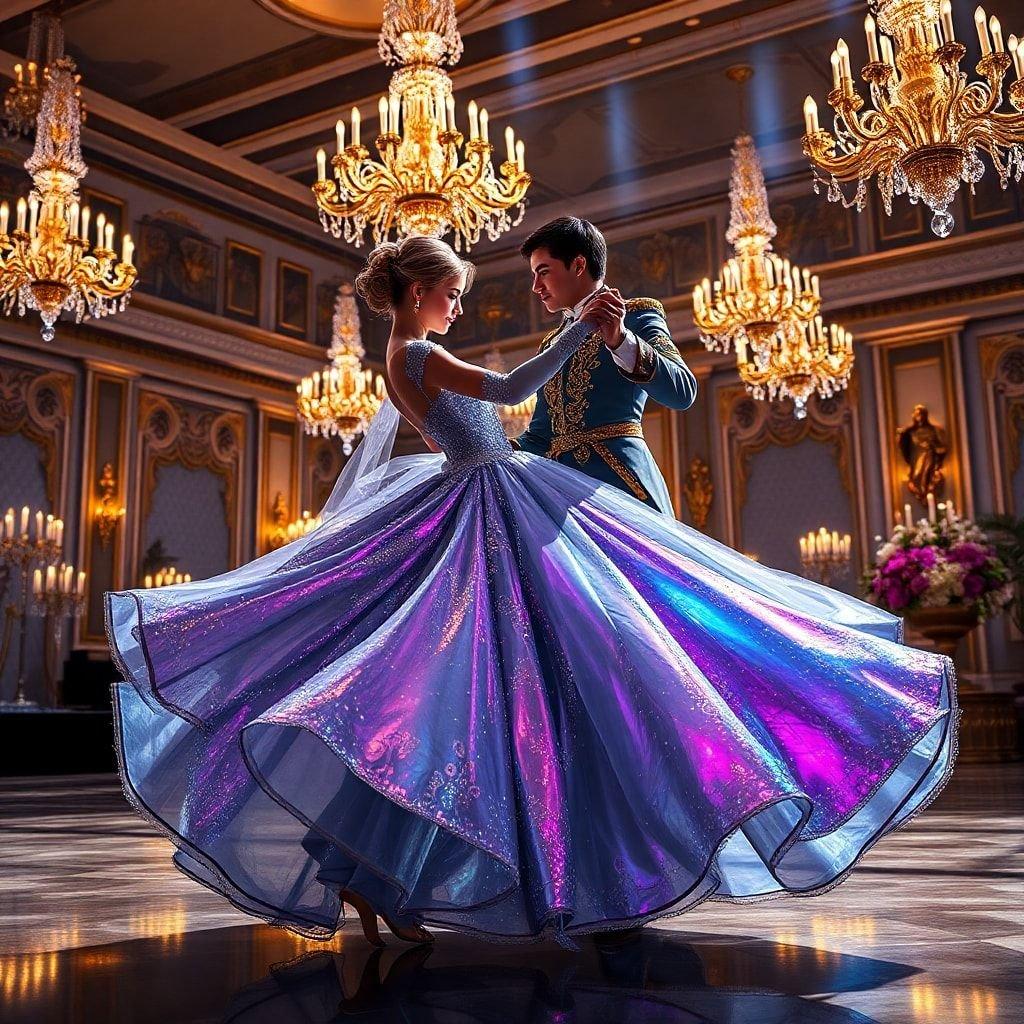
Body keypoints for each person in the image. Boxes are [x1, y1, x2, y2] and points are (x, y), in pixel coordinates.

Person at [106, 234, 957, 952]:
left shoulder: (411, 353)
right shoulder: (420, 352)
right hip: (490, 502)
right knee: (477, 691)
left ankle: (367, 868)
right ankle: (426, 866)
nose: (457, 305)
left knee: (459, 696)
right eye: (449, 291)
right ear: (415, 292)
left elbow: (569, 405)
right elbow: (515, 396)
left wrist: (592, 348)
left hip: (500, 495)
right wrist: (572, 335)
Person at [517, 217, 698, 514]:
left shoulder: (638, 316)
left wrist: (620, 340)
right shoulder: (551, 345)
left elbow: (682, 392)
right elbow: (540, 436)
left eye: (544, 272)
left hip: (623, 491)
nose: (536, 286)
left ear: (578, 265)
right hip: (564, 504)